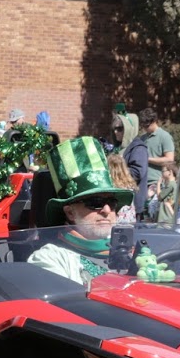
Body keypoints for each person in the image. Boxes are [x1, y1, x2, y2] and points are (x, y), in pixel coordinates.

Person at [29, 136, 134, 284]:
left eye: (112, 202)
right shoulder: (50, 258)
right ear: (70, 213)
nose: (106, 209)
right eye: (95, 202)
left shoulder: (132, 253)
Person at [112, 111, 149, 217]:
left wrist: (114, 173)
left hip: (132, 205)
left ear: (130, 129)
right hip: (119, 203)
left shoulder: (138, 148)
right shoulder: (119, 148)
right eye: (114, 128)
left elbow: (137, 172)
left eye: (120, 128)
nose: (116, 132)